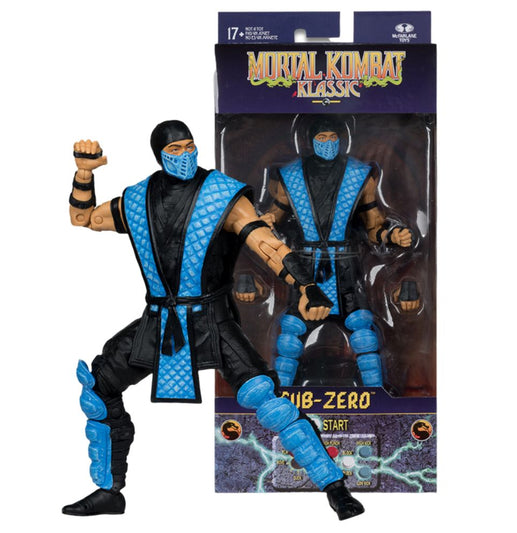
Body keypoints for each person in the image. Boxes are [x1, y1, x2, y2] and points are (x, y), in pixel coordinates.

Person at [62, 120, 364, 521]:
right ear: (159, 155)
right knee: (98, 387)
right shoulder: (138, 199)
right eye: (175, 150)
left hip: (213, 322)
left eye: (190, 146)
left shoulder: (221, 195)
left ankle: (336, 488)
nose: (185, 155)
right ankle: (108, 491)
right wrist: (84, 174)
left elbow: (267, 245)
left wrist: (306, 285)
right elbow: (84, 218)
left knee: (269, 401)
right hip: (159, 322)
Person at [251, 116, 419, 388]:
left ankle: (376, 394)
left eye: (332, 138)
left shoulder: (359, 175)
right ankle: (281, 393)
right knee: (290, 336)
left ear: (341, 140)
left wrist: (391, 235)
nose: (328, 143)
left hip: (346, 268)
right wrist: (264, 222)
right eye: (322, 138)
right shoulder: (290, 177)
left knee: (363, 333)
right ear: (311, 140)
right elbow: (274, 216)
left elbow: (373, 227)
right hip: (305, 267)